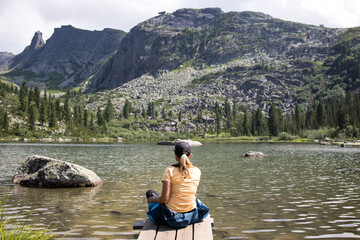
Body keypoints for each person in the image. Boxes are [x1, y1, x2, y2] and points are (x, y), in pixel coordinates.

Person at [146, 141, 209, 228]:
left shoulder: (169, 171)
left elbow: (164, 199)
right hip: (191, 216)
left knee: (150, 193)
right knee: (194, 198)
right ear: (190, 155)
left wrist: (153, 198)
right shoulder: (197, 171)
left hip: (173, 218)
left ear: (175, 155)